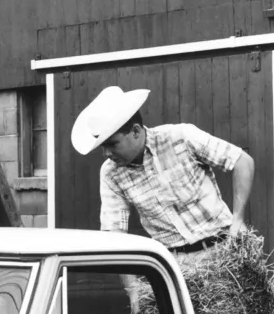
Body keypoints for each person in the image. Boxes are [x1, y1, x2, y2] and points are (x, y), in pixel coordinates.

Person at [71, 84, 256, 254]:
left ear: (135, 131)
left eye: (112, 144)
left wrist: (238, 221)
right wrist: (134, 291)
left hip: (222, 249)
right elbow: (114, 236)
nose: (106, 153)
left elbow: (242, 161)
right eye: (102, 146)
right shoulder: (111, 174)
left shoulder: (180, 137)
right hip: (175, 264)